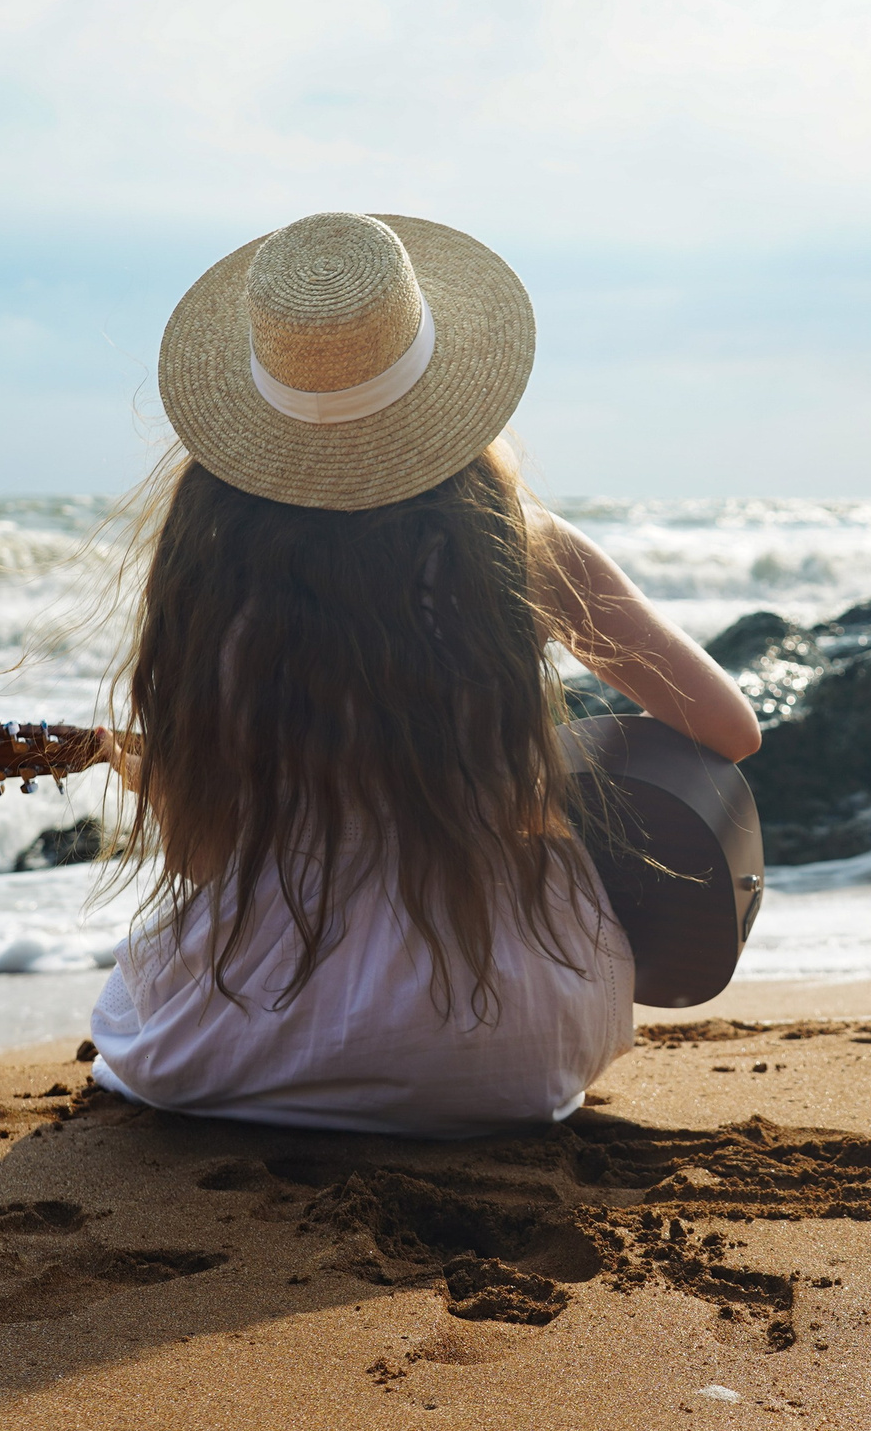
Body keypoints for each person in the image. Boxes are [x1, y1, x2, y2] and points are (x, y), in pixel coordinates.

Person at [78, 211, 760, 1137]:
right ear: (441, 385)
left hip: (242, 1044)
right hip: (507, 1040)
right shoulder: (519, 545)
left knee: (132, 1015)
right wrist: (542, 765)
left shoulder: (211, 564)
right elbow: (730, 731)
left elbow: (206, 855)